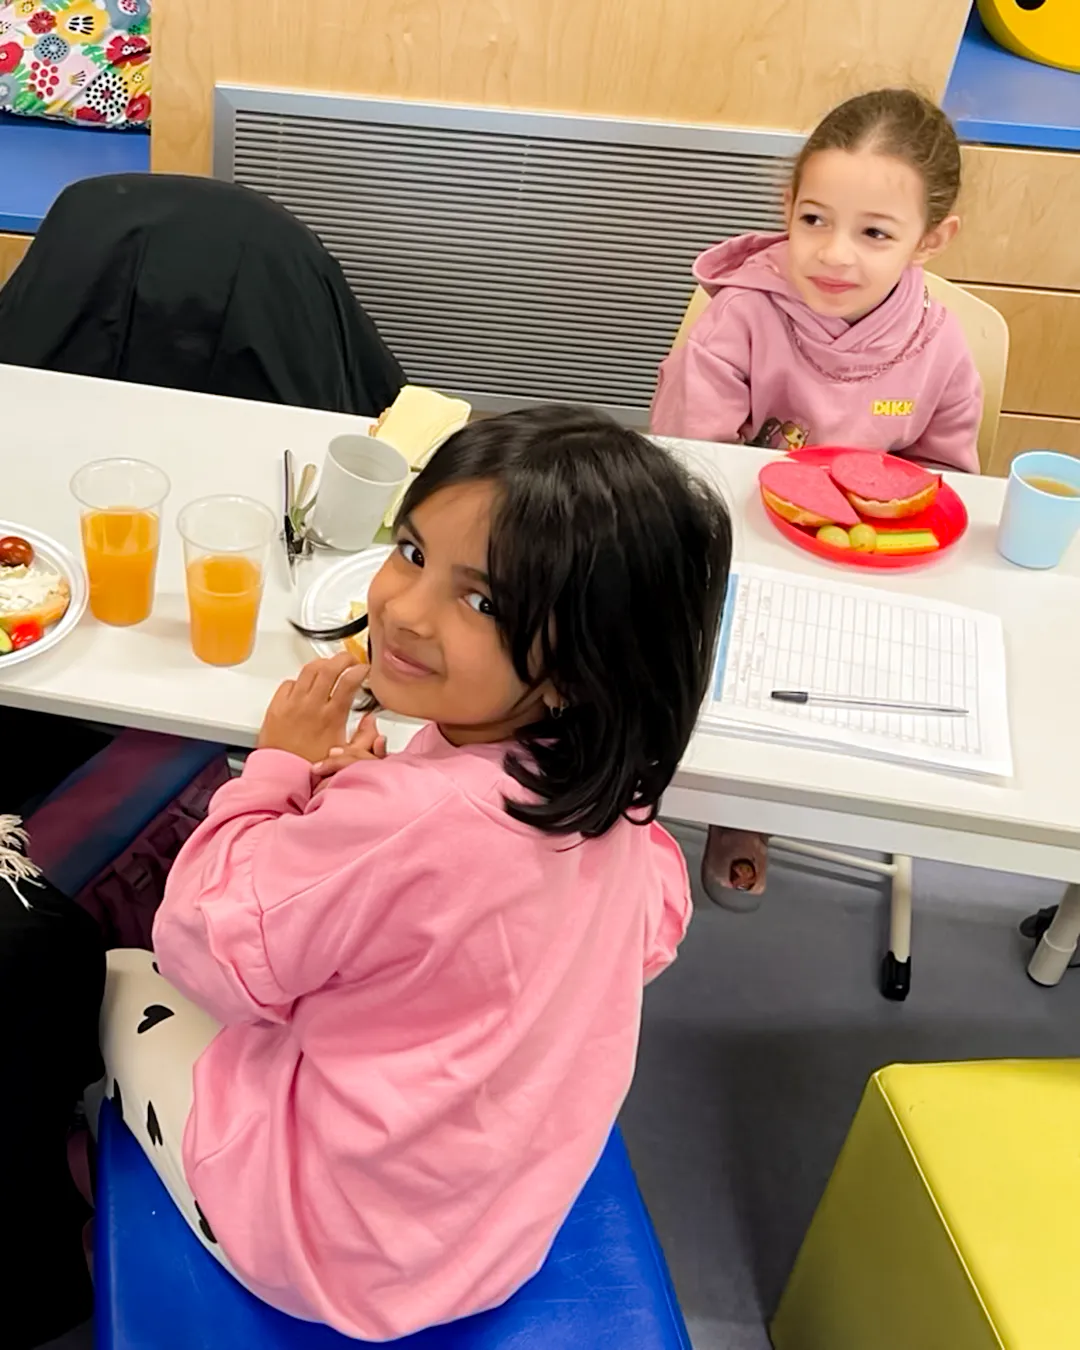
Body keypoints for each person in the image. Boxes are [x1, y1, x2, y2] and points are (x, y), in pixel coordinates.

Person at [97, 406, 732, 1341]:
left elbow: (199, 945)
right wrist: (381, 806)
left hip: (330, 1247)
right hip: (495, 1229)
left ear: (582, 662)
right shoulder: (613, 798)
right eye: (412, 551)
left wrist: (275, 772)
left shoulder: (403, 824)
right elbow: (653, 924)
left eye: (484, 603)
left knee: (119, 975)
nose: (404, 609)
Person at [651, 88, 982, 903]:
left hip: (864, 570)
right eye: (814, 220)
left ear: (931, 239)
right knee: (694, 672)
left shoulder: (939, 346)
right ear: (787, 208)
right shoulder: (739, 321)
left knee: (877, 701)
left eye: (875, 233)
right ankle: (734, 804)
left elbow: (949, 481)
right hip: (739, 545)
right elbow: (688, 466)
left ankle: (788, 789)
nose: (834, 255)